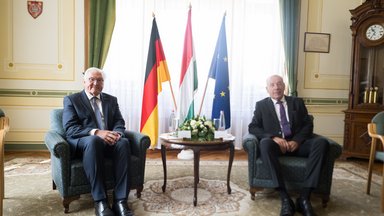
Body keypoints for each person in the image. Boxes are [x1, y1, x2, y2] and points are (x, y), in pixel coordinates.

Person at [248, 75, 328, 216]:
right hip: (276, 147)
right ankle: (285, 197)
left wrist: (296, 141)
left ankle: (304, 197)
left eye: (279, 84)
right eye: (272, 85)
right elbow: (253, 127)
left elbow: (308, 124)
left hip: (298, 145)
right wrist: (273, 137)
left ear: (284, 86)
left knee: (321, 143)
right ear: (267, 89)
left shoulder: (297, 102)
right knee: (265, 144)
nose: (276, 87)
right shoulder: (261, 105)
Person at [62, 67, 133, 216]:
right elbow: (70, 129)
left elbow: (119, 121)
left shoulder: (111, 100)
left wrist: (118, 133)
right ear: (84, 82)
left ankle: (121, 201)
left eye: (99, 80)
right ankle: (100, 202)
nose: (95, 83)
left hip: (109, 141)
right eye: (91, 79)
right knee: (94, 141)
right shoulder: (71, 100)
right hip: (86, 142)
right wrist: (96, 132)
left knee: (124, 143)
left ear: (103, 83)